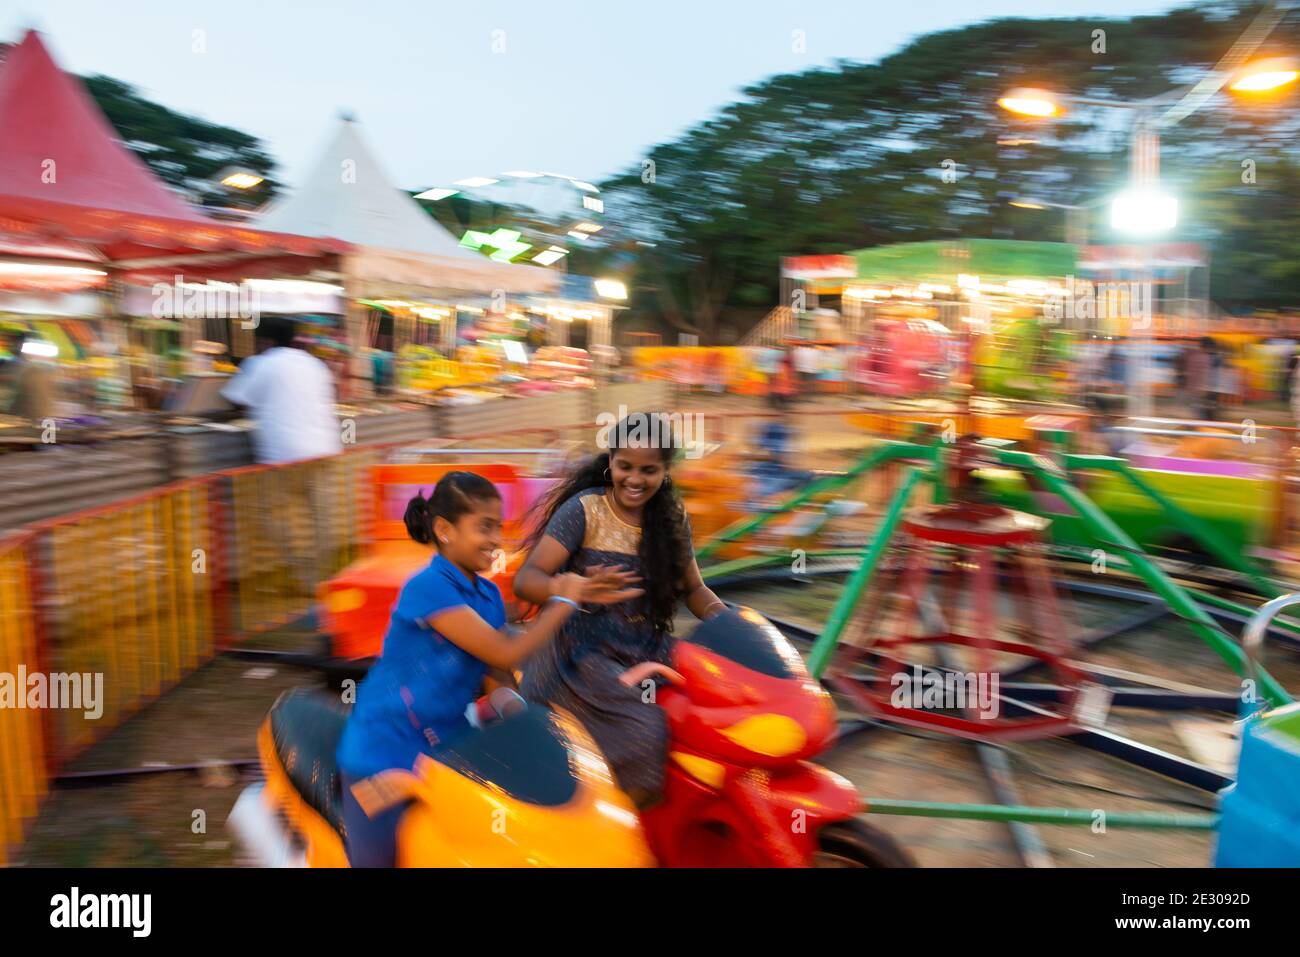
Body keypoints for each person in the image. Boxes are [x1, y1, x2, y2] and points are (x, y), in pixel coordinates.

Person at [334, 471, 640, 866]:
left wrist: (518, 715)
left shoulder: (488, 593)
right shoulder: (426, 588)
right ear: (445, 530)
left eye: (498, 527)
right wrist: (564, 601)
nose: (496, 540)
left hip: (448, 754)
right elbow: (505, 651)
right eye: (484, 528)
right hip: (384, 752)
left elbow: (496, 673)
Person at [513, 413, 728, 809]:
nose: (634, 479)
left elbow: (694, 588)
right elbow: (527, 580)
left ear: (665, 471)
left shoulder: (671, 518)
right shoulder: (586, 511)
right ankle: (612, 825)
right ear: (610, 461)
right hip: (577, 652)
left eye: (649, 470)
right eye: (625, 466)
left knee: (708, 708)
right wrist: (572, 588)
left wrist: (729, 621)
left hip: (643, 647)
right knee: (645, 730)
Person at [220, 315, 342, 464]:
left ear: (264, 342)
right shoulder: (315, 364)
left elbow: (235, 399)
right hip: (327, 449)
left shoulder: (260, 363)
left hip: (285, 457)